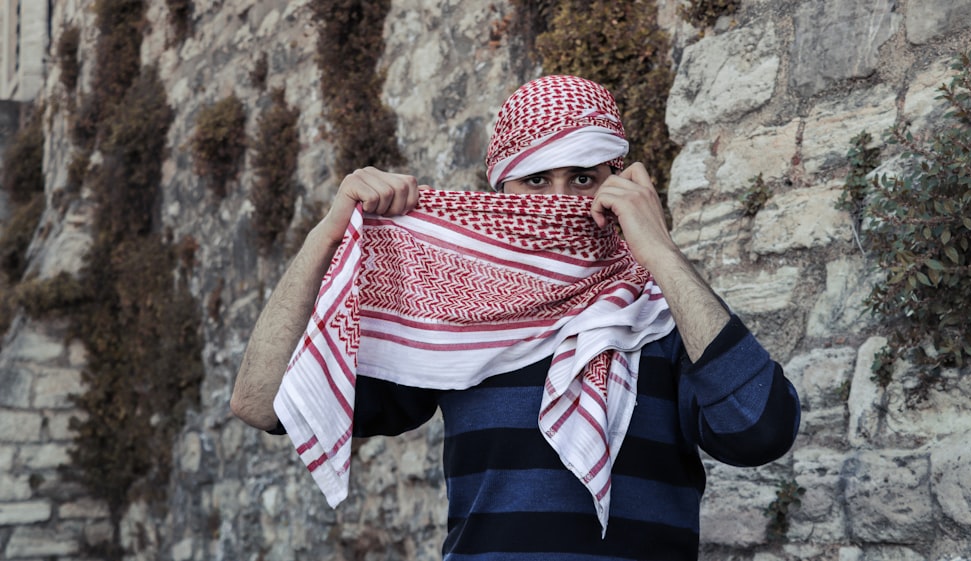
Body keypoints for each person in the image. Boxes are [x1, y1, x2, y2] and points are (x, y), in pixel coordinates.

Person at [231, 75, 800, 560]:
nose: (559, 202)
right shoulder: (454, 308)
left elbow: (761, 432)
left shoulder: (667, 313)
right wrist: (325, 236)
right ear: (500, 191)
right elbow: (260, 401)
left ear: (621, 181)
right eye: (536, 181)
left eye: (583, 178)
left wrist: (661, 255)